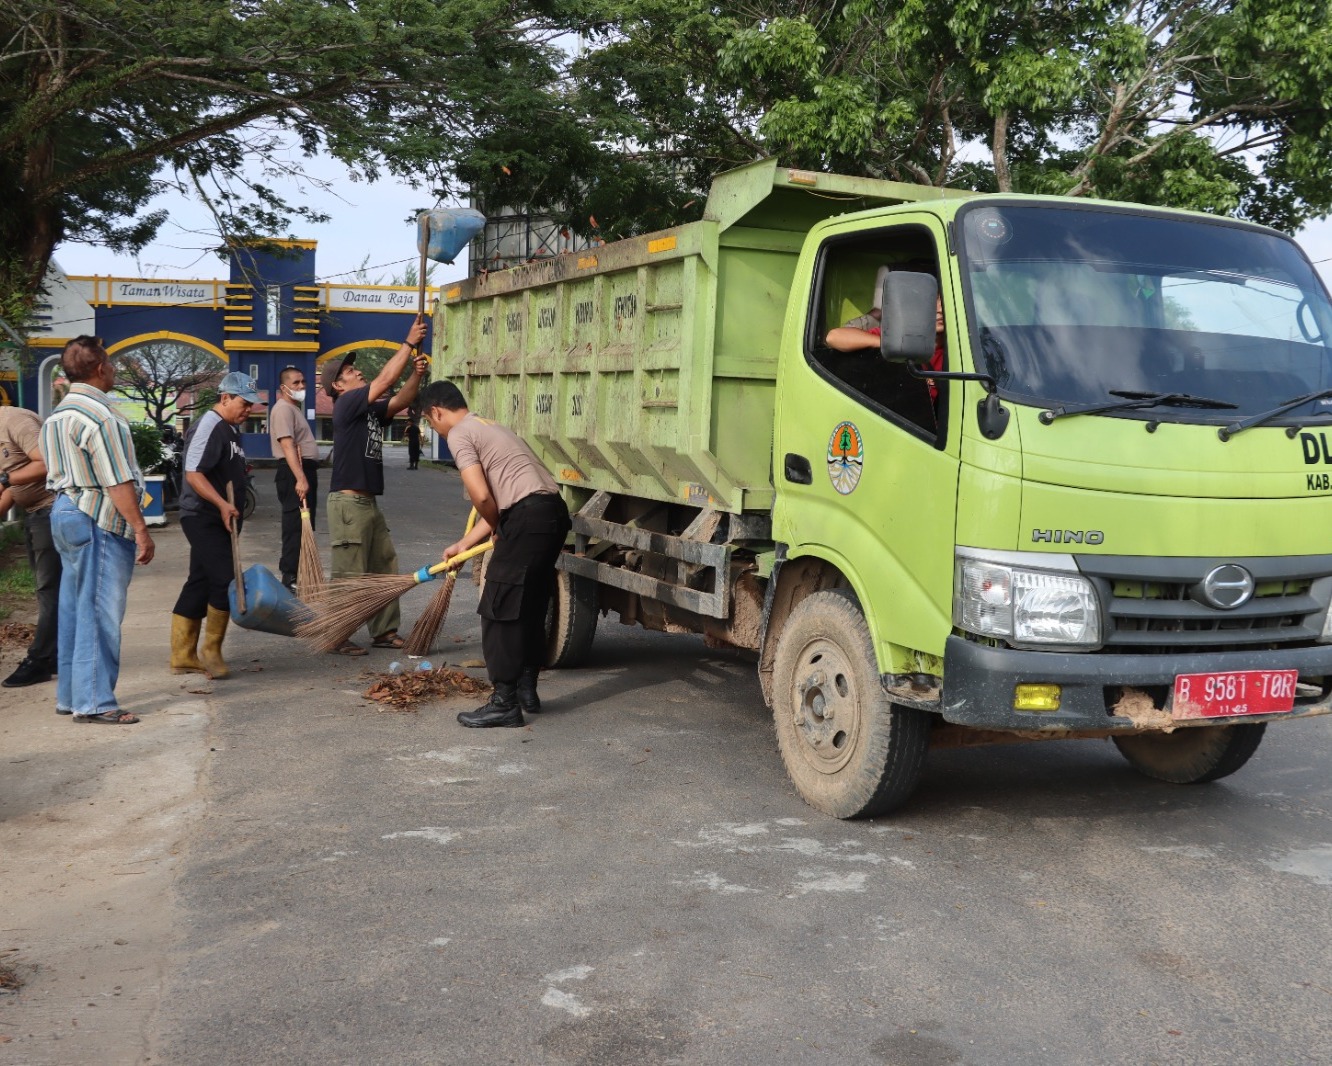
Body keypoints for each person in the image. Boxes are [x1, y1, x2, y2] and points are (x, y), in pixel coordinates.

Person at [419, 380, 571, 728]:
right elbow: (506, 501)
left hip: (526, 517)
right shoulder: (490, 425)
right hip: (552, 513)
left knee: (498, 606)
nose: (437, 431)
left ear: (436, 412)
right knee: (529, 604)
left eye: (431, 423)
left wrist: (500, 528)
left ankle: (504, 701)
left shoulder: (459, 434)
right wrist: (464, 544)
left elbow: (484, 498)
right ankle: (525, 690)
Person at [39, 336, 155, 724]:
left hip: (65, 511)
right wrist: (140, 529)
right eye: (112, 364)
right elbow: (117, 481)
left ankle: (72, 695)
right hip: (98, 516)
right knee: (99, 611)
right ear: (101, 369)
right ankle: (95, 702)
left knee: (73, 608)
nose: (115, 370)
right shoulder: (103, 417)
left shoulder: (57, 416)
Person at [321, 314, 428, 654]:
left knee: (383, 566)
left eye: (354, 369)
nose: (357, 372)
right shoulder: (347, 404)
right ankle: (337, 634)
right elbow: (383, 382)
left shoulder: (366, 410)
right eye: (349, 372)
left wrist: (416, 374)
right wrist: (408, 343)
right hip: (348, 505)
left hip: (368, 504)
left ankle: (383, 632)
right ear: (338, 385)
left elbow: (400, 401)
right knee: (349, 574)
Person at [170, 372, 258, 679]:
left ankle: (182, 655)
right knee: (224, 580)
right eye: (244, 404)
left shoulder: (231, 429)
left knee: (200, 580)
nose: (249, 410)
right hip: (202, 515)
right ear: (225, 398)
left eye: (251, 405)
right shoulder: (209, 425)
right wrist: (222, 504)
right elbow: (194, 474)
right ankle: (211, 652)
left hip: (221, 516)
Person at [0, 405, 60, 687]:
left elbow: (47, 463)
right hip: (35, 514)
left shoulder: (15, 421)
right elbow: (12, 487)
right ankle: (57, 654)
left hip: (53, 510)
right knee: (47, 590)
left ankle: (39, 661)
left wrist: (5, 478)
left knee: (50, 589)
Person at [269, 365, 319, 591]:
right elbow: (287, 444)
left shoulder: (294, 409)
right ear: (283, 387)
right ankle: (289, 578)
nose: (301, 387)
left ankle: (301, 572)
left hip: (303, 469)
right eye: (295, 383)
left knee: (305, 524)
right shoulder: (283, 409)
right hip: (294, 472)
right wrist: (300, 477)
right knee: (295, 526)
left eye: (303, 382)